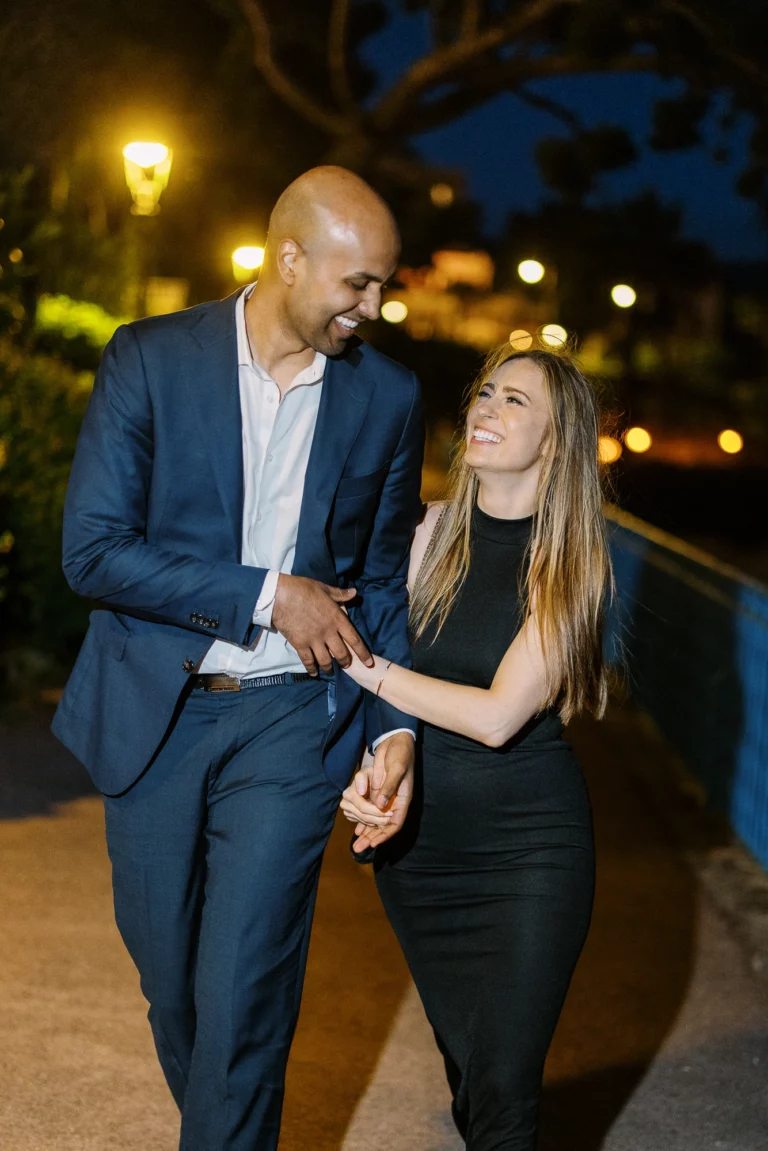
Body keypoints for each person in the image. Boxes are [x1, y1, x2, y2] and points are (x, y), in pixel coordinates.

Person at [52, 166, 423, 1150]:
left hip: (293, 723)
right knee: (173, 983)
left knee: (245, 987)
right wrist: (269, 593)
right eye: (360, 283)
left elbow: (381, 582)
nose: (374, 306)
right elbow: (91, 550)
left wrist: (393, 728)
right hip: (157, 713)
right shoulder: (152, 359)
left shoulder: (386, 393)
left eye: (385, 284)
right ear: (288, 257)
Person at [340, 342, 613, 1150]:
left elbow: (497, 716)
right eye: (486, 393)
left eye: (516, 401)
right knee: (469, 1089)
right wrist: (376, 763)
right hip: (421, 857)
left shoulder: (570, 565)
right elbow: (397, 715)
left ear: (557, 441)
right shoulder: (425, 538)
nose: (487, 409)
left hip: (528, 850)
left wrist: (362, 665)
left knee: (502, 1096)